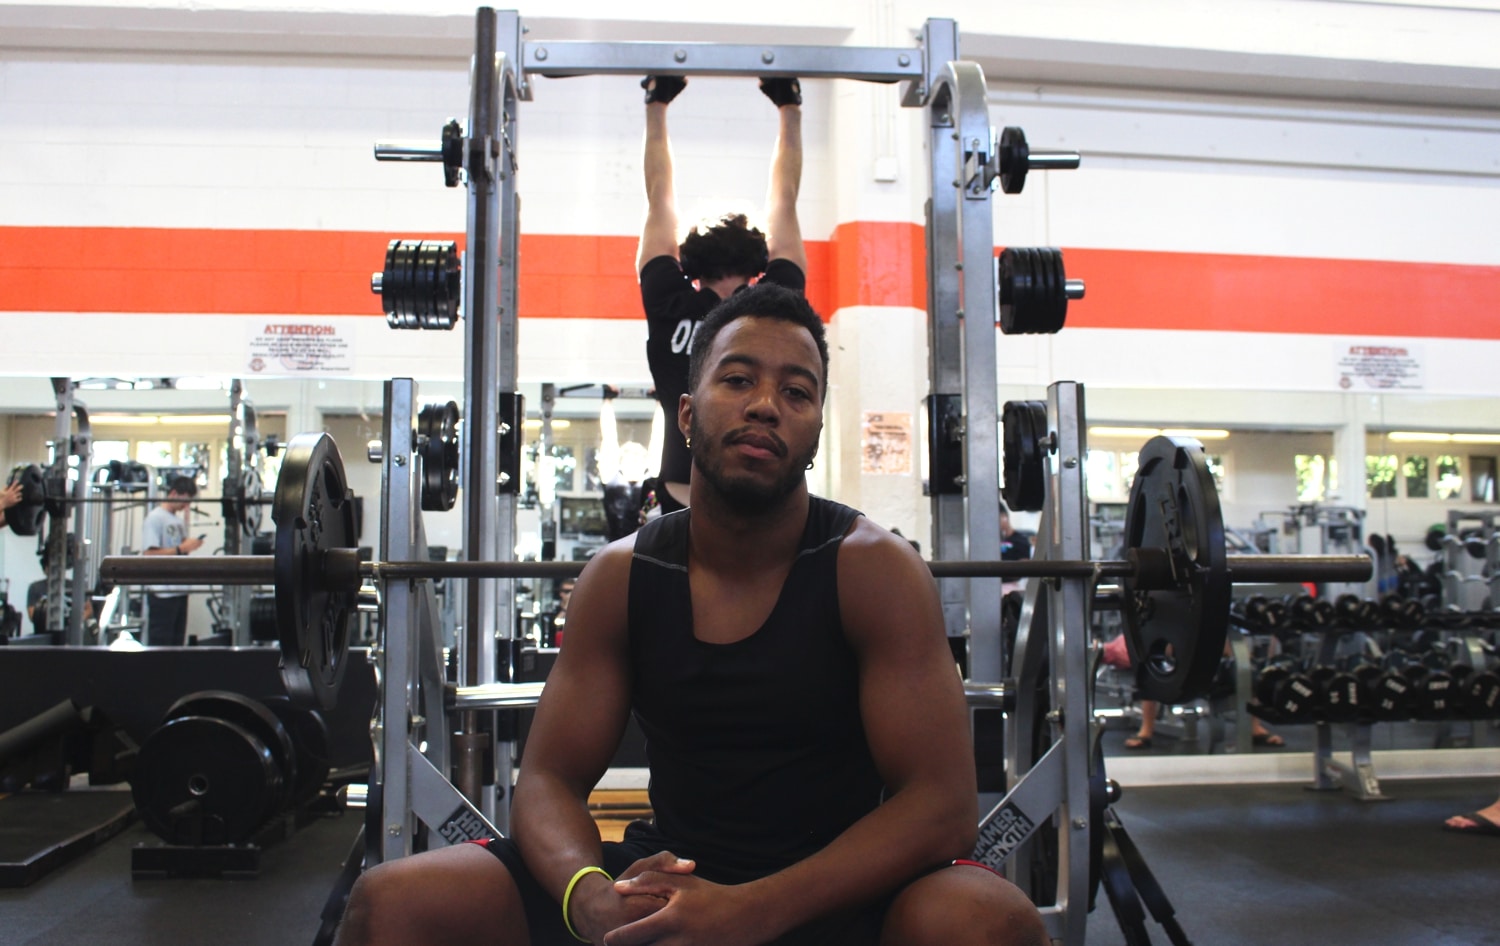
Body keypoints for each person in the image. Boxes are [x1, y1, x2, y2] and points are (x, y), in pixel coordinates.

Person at [335, 283, 1047, 946]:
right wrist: (590, 895)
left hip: (835, 892)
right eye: (738, 380)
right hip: (674, 877)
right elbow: (548, 779)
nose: (765, 405)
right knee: (394, 901)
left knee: (987, 920)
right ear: (686, 412)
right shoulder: (623, 577)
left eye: (796, 392)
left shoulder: (872, 570)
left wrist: (749, 910)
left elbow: (941, 804)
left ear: (814, 432)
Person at [636, 72, 808, 524]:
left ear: (687, 263)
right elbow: (785, 200)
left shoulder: (669, 300)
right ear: (759, 263)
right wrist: (789, 107)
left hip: (680, 486)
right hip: (761, 487)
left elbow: (659, 196)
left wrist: (657, 104)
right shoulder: (771, 302)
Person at [140, 475, 204, 646]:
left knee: (177, 645)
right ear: (174, 493)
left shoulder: (178, 521)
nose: (186, 506)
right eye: (185, 501)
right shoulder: (155, 518)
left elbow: (178, 550)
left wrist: (189, 546)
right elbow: (149, 554)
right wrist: (181, 549)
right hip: (163, 593)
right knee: (161, 646)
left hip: (180, 591)